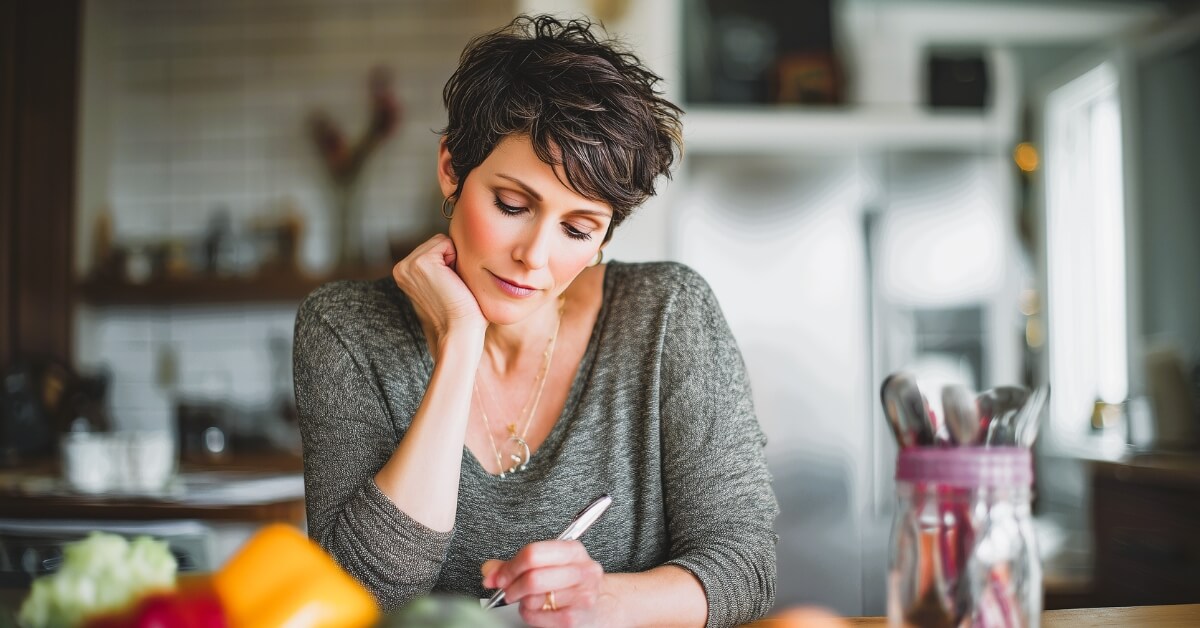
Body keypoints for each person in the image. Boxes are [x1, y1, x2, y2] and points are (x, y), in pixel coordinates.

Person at [293, 15, 777, 628]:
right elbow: (356, 593)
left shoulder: (667, 317)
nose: (535, 256)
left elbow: (744, 566)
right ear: (451, 168)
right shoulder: (345, 330)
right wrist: (460, 342)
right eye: (512, 205)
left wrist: (598, 602)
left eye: (578, 229)